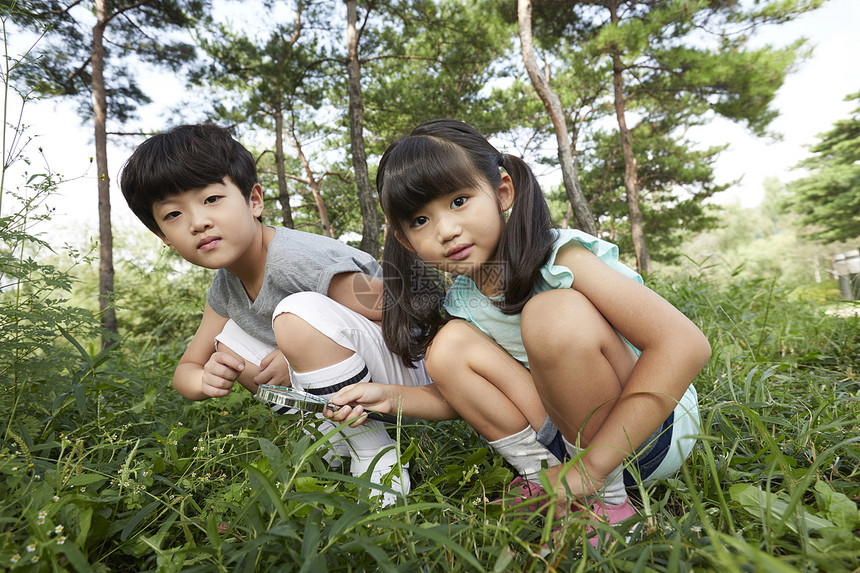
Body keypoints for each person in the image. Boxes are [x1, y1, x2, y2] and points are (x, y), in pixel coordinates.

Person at [326, 119, 711, 541]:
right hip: (571, 445)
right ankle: (546, 478)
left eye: (459, 200)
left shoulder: (562, 257)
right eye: (420, 220)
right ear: (404, 240)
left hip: (650, 430)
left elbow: (683, 344)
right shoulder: (461, 301)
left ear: (502, 192)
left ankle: (604, 497)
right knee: (448, 349)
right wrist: (389, 396)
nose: (446, 230)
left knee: (552, 315)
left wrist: (593, 468)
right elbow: (470, 394)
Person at [119, 124, 433, 505]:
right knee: (228, 342)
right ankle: (333, 436)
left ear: (254, 201)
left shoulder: (293, 258)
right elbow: (186, 369)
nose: (197, 222)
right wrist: (204, 380)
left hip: (414, 375)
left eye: (212, 199)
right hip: (356, 384)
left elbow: (403, 309)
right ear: (164, 237)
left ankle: (375, 453)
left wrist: (296, 345)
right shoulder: (224, 286)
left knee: (295, 314)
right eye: (172, 215)